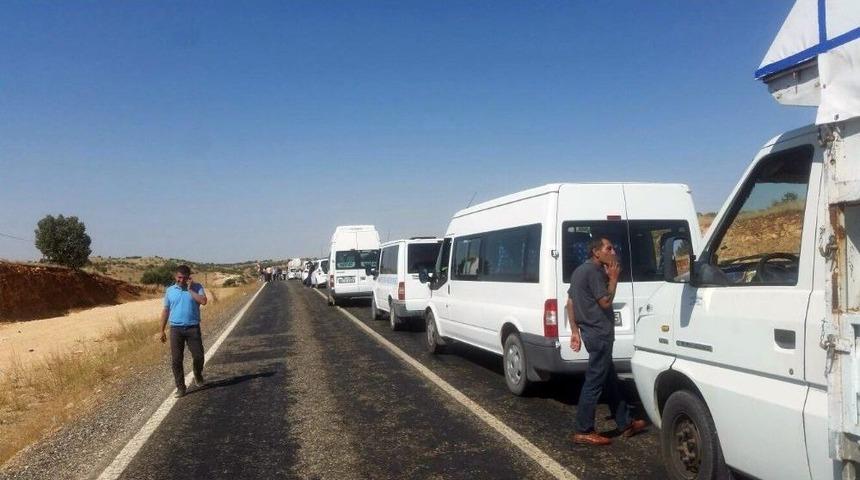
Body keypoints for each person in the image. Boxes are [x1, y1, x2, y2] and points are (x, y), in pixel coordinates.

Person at [567, 237, 646, 446]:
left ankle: (625, 422)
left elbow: (570, 303)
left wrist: (575, 331)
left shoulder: (579, 271)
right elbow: (605, 301)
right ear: (596, 252)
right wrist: (613, 278)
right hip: (599, 334)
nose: (613, 251)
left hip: (592, 333)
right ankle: (583, 430)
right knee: (594, 382)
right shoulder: (594, 272)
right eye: (608, 248)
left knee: (610, 381)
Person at [160, 265, 208, 398]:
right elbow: (166, 311)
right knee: (176, 360)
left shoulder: (197, 287)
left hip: (193, 328)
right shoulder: (170, 291)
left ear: (189, 277)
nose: (181, 280)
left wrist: (190, 289)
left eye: (184, 277)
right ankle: (181, 387)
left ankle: (197, 374)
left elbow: (203, 301)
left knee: (199, 356)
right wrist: (162, 330)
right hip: (176, 329)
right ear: (176, 277)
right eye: (179, 277)